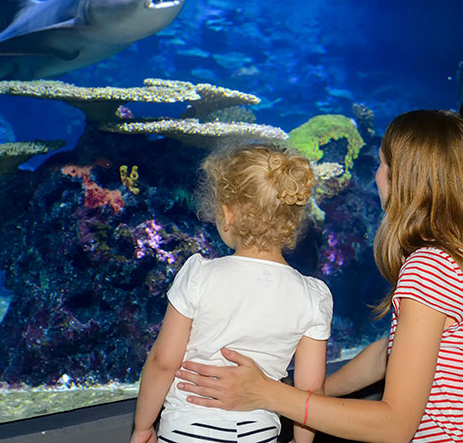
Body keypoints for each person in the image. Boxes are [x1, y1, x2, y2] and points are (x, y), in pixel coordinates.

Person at [175, 110, 463, 443]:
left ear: (406, 179)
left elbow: (396, 425)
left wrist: (268, 394)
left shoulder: (428, 267)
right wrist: (312, 392)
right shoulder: (452, 257)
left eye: (382, 163)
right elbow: (392, 351)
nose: (377, 175)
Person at [129, 144, 333, 443]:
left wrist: (143, 426)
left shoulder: (199, 275)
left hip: (187, 428)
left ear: (227, 214)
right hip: (258, 433)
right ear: (291, 221)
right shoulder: (314, 296)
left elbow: (163, 361)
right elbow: (310, 392)